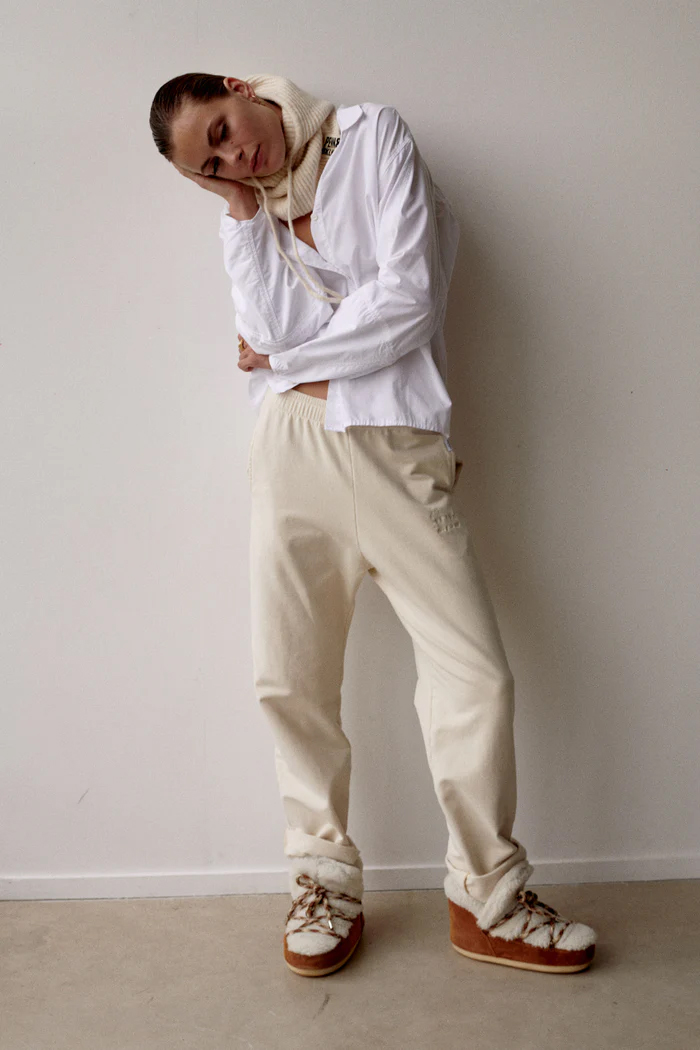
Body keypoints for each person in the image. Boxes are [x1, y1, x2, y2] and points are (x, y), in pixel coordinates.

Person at [149, 72, 597, 977]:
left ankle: (487, 896)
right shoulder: (253, 208)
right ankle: (321, 881)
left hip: (397, 448)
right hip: (292, 449)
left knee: (476, 675)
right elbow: (268, 321)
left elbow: (410, 302)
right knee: (292, 676)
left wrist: (288, 358)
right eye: (213, 165)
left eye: (225, 130)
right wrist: (242, 213)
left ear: (240, 89)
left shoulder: (371, 137)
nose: (237, 156)